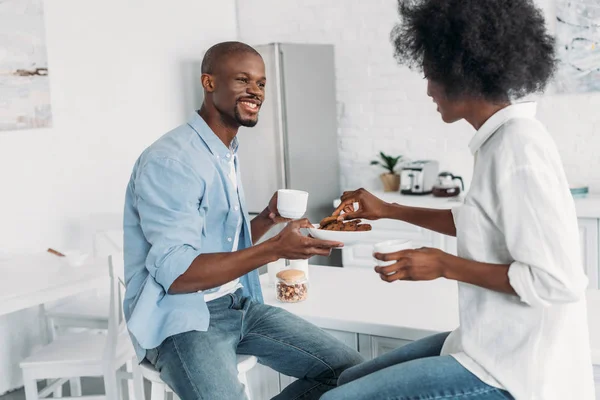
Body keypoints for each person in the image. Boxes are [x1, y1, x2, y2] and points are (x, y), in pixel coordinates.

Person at [322, 0, 595, 399]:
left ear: (463, 73)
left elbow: (556, 282)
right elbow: (475, 221)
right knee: (346, 382)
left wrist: (444, 265)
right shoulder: (498, 142)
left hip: (517, 371)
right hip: (484, 343)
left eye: (432, 74)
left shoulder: (518, 149)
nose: (429, 88)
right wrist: (387, 210)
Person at [122, 41, 363, 399]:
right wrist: (275, 249)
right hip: (183, 319)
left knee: (352, 374)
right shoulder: (171, 162)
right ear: (208, 83)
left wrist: (267, 221)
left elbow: (215, 250)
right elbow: (178, 275)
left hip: (237, 305)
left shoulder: (224, 151)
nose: (256, 91)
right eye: (242, 80)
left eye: (262, 83)